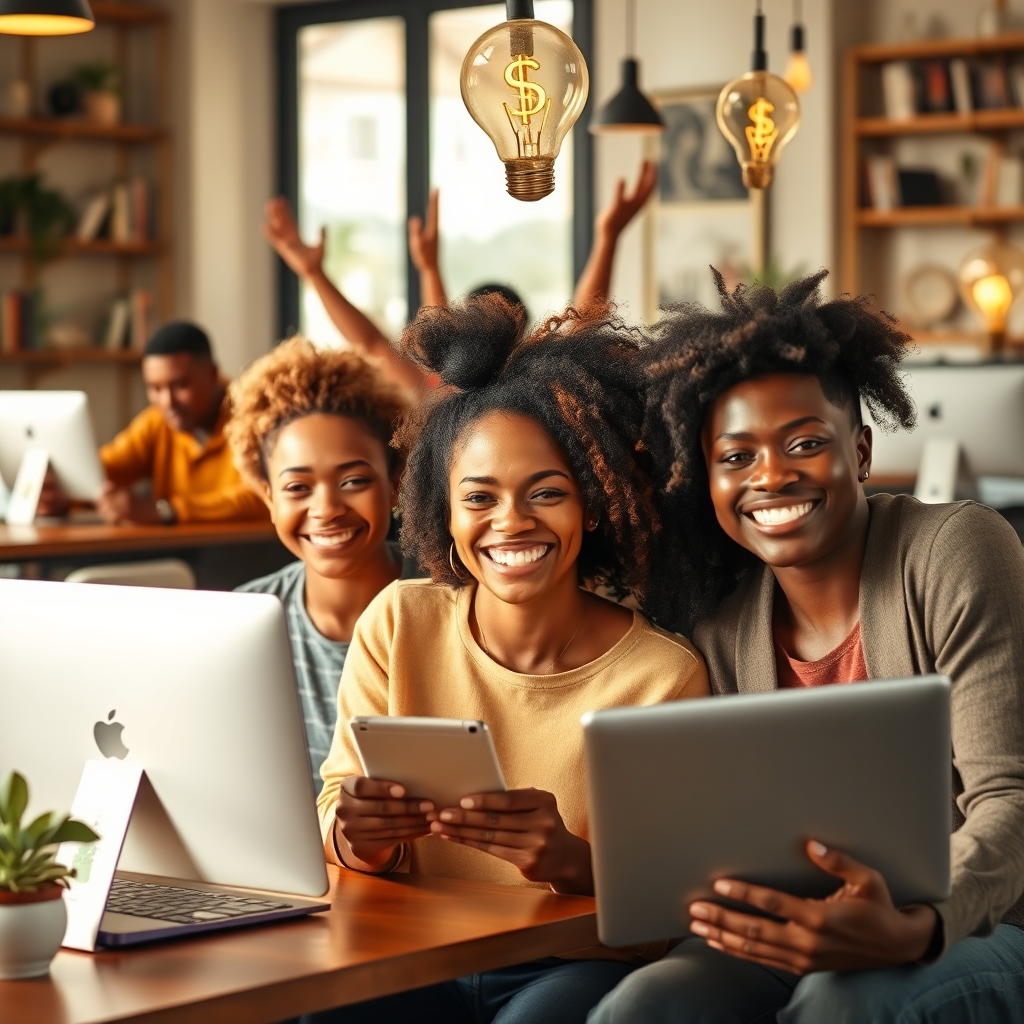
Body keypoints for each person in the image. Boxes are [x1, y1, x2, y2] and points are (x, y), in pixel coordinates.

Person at [589, 270, 1024, 1024]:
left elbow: (1010, 798)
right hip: (791, 924)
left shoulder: (955, 548)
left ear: (858, 452)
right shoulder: (718, 621)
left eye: (804, 443)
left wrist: (913, 926)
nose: (770, 476)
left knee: (838, 1004)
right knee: (643, 1008)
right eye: (735, 458)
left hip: (978, 922)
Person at [308, 295, 709, 1024]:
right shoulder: (399, 622)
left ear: (593, 503)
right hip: (408, 953)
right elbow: (335, 807)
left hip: (566, 966)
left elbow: (666, 901)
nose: (511, 523)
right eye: (479, 498)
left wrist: (566, 860)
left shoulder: (662, 675)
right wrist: (357, 837)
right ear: (445, 513)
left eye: (546, 493)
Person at [261, 160, 658, 392]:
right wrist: (314, 274)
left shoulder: (534, 383)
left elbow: (582, 324)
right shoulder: (445, 387)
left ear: (519, 335)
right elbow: (389, 344)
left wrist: (609, 237)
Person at [227, 337, 416, 791]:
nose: (327, 508)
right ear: (268, 496)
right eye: (297, 487)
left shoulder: (452, 605)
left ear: (395, 482)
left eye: (353, 480)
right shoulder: (239, 620)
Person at [84, 321, 266, 525]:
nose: (167, 402)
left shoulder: (255, 418)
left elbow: (261, 496)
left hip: (243, 550)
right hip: (175, 550)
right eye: (155, 388)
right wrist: (63, 492)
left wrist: (165, 510)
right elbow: (100, 470)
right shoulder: (157, 422)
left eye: (180, 385)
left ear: (212, 374)